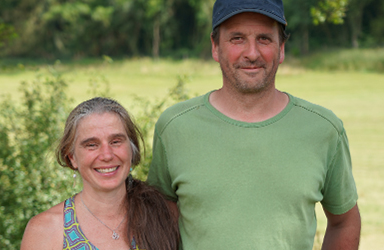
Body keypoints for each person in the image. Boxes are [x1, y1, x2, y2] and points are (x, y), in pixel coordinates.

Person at [146, 0, 361, 249]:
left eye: (264, 39)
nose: (251, 53)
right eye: (237, 38)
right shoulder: (175, 127)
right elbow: (161, 223)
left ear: (281, 48)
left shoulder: (323, 129)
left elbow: (344, 221)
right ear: (215, 47)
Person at [20, 97, 180, 250]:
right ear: (72, 157)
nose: (107, 155)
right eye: (92, 145)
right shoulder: (46, 230)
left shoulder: (166, 215)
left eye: (116, 141)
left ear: (132, 150)